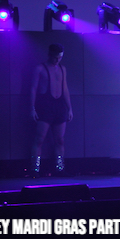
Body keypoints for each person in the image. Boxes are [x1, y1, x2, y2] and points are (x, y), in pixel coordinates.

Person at [30, 44, 73, 177]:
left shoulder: (62, 69)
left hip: (59, 106)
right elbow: (33, 89)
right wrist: (32, 108)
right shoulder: (40, 68)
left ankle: (60, 168)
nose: (57, 60)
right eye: (55, 57)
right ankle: (34, 169)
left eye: (60, 58)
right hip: (45, 105)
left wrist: (69, 108)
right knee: (39, 139)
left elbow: (65, 89)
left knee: (60, 140)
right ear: (50, 55)